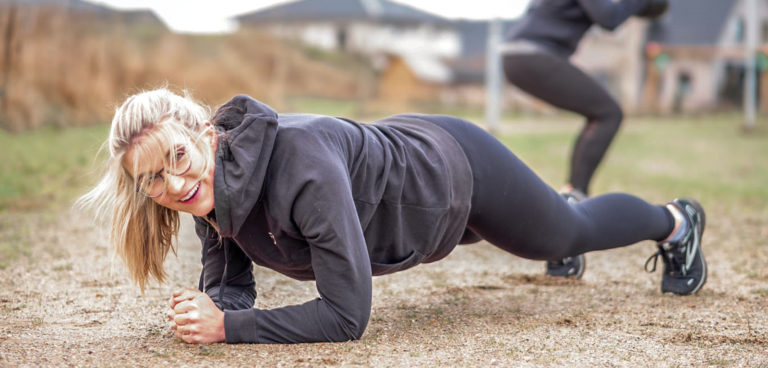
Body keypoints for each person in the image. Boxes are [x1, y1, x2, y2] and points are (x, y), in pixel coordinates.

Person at [78, 88, 705, 345]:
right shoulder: (211, 192)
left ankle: (675, 222)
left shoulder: (298, 166)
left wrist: (230, 331)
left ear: (205, 131)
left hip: (456, 171)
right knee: (546, 228)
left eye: (179, 159)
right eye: (152, 179)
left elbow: (348, 316)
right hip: (402, 193)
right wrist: (213, 306)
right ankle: (551, 208)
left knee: (569, 232)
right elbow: (231, 285)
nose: (175, 184)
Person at [502, 0, 669, 277]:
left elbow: (633, 10)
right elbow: (609, 18)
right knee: (608, 113)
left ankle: (570, 211)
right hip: (531, 56)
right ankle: (572, 210)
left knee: (602, 114)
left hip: (523, 55)